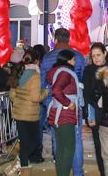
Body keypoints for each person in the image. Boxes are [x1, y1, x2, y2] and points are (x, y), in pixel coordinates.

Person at [40, 28, 86, 176]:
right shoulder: (78, 56)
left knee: (58, 140)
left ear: (56, 39)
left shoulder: (47, 58)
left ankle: (61, 170)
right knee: (76, 139)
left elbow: (42, 83)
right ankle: (78, 172)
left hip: (52, 103)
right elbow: (82, 80)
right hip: (72, 103)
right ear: (69, 38)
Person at [47, 49, 81, 176]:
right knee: (68, 148)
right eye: (73, 59)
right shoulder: (65, 73)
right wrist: (68, 102)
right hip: (65, 114)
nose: (75, 61)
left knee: (61, 148)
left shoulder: (57, 72)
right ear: (68, 60)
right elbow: (56, 90)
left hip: (59, 114)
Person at [10, 50, 46, 168]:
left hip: (18, 112)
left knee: (24, 141)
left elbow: (12, 95)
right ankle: (22, 158)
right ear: (36, 61)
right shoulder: (35, 76)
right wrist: (46, 92)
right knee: (35, 141)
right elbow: (36, 97)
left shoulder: (18, 72)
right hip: (30, 114)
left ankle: (23, 166)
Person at [83, 42, 107, 176]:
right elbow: (87, 96)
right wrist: (89, 116)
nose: (96, 58)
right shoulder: (88, 71)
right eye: (93, 56)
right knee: (99, 146)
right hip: (96, 113)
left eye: (98, 55)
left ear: (105, 53)